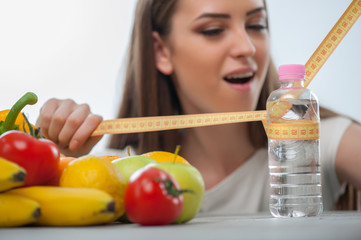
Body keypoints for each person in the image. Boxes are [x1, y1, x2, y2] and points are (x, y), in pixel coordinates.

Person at [36, 0, 361, 215]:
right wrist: (54, 165)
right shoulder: (116, 177)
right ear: (161, 51)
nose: (246, 47)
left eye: (256, 25)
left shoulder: (317, 143)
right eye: (213, 30)